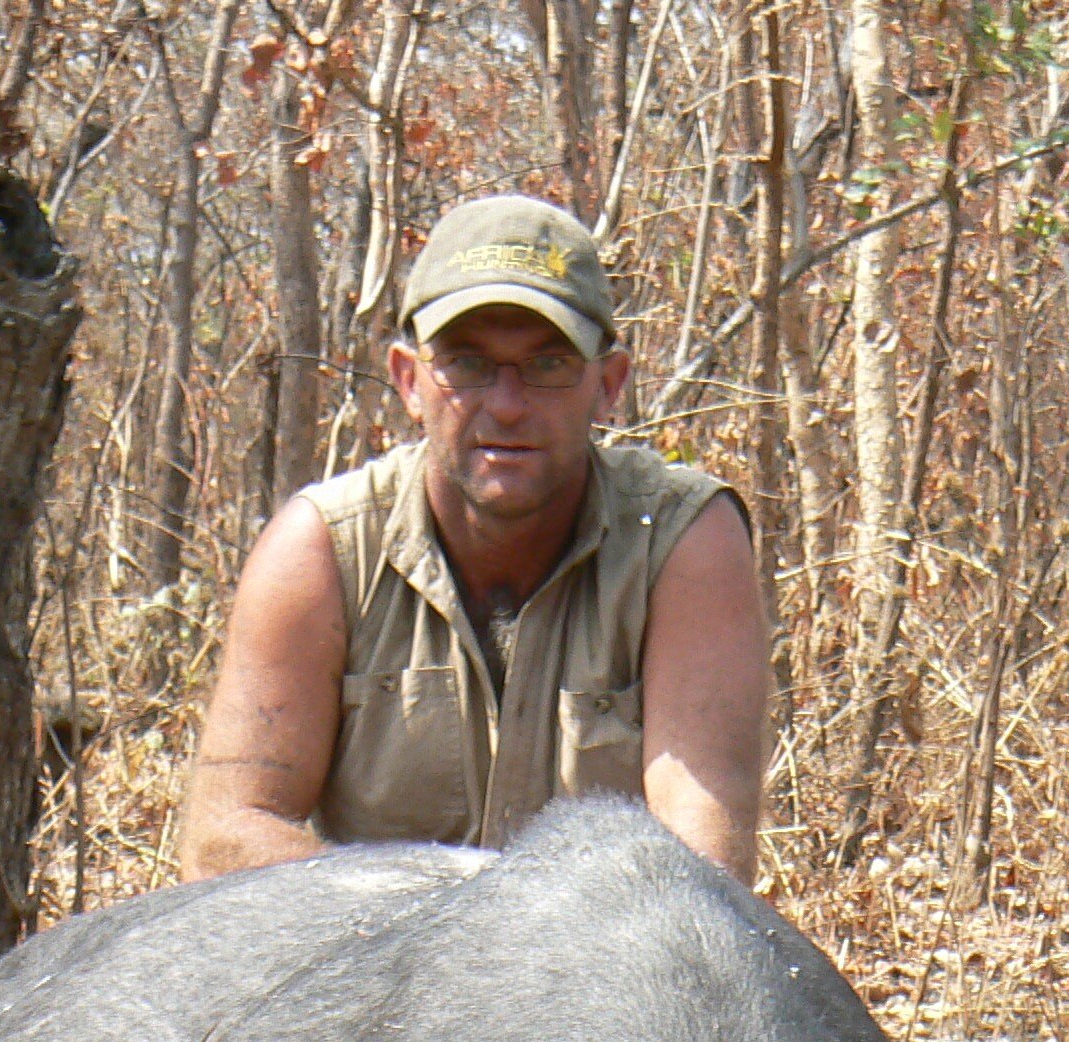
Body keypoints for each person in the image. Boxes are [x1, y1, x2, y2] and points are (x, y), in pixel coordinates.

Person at [179, 195, 768, 887]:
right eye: (467, 364)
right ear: (408, 379)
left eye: (549, 365)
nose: (508, 404)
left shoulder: (681, 542)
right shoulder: (322, 549)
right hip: (378, 972)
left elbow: (703, 872)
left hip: (601, 979)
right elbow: (221, 844)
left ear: (608, 386)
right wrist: (452, 926)